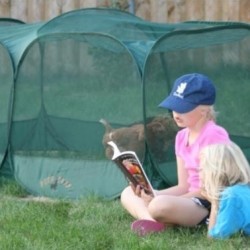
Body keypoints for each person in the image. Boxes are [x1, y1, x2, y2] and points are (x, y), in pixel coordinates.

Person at [120, 73, 231, 236]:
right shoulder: (181, 137)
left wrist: (159, 200)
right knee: (127, 193)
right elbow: (183, 186)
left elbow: (211, 190)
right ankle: (152, 221)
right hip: (188, 197)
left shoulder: (214, 136)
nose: (175, 113)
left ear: (203, 110)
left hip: (207, 203)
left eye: (183, 108)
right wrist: (152, 193)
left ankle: (159, 216)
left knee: (159, 205)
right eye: (173, 107)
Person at [200, 142, 250, 239]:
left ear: (215, 171)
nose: (200, 175)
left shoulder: (231, 195)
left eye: (201, 169)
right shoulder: (244, 189)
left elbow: (216, 236)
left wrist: (214, 204)